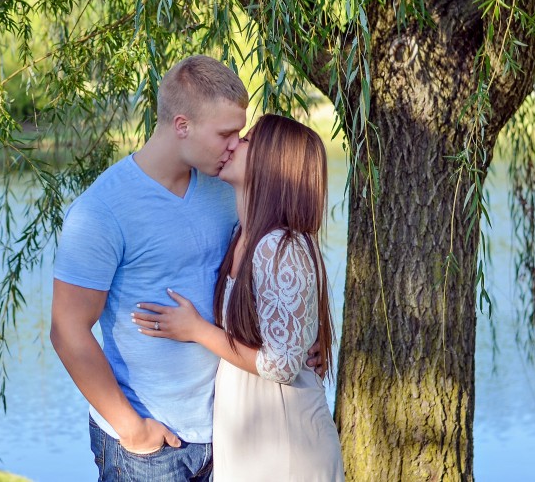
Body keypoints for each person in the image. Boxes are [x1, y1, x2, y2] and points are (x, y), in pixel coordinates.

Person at [50, 56, 320, 481]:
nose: (235, 144)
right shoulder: (101, 211)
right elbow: (67, 330)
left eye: (240, 133)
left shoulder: (225, 188)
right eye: (225, 134)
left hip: (230, 434)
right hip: (150, 447)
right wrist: (132, 429)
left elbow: (272, 268)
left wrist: (300, 338)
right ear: (182, 126)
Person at [130, 114, 344, 481]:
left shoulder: (279, 246)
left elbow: (282, 365)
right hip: (249, 432)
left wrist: (196, 330)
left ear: (272, 163)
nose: (233, 144)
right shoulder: (241, 233)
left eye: (246, 140)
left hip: (282, 441)